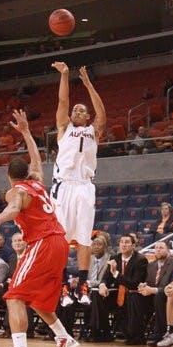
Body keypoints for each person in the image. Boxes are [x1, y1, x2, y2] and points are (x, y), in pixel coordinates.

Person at [0, 109, 79, 347]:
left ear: (8, 175)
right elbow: (36, 157)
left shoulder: (18, 191)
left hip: (43, 242)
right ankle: (64, 337)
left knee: (13, 297)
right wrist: (25, 132)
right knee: (35, 299)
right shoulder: (37, 183)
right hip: (59, 242)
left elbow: (13, 209)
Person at [50, 61, 106, 305]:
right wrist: (64, 75)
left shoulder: (94, 131)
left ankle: (83, 285)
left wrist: (88, 85)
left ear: (87, 115)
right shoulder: (64, 128)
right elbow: (62, 103)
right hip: (64, 186)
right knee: (61, 239)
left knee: (84, 238)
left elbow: (102, 115)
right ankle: (62, 286)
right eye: (75, 109)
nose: (77, 111)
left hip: (85, 185)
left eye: (82, 110)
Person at [98, 234, 148, 345]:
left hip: (134, 294)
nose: (123, 244)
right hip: (117, 294)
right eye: (121, 242)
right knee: (97, 294)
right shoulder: (114, 258)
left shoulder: (140, 260)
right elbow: (106, 278)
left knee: (132, 296)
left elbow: (134, 284)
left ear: (133, 246)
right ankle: (101, 332)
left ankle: (136, 336)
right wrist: (102, 285)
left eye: (127, 242)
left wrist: (116, 273)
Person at [137, 241, 173, 346]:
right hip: (152, 296)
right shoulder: (151, 265)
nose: (158, 249)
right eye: (156, 247)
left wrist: (152, 290)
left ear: (168, 250)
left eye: (161, 248)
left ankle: (160, 336)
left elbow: (169, 286)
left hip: (167, 296)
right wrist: (143, 286)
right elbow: (148, 282)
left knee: (158, 297)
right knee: (135, 297)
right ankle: (135, 334)